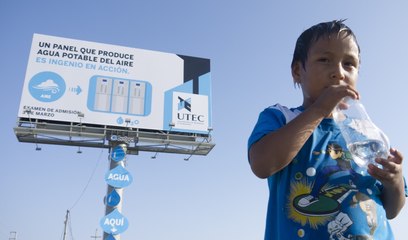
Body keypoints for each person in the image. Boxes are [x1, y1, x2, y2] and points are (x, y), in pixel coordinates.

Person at [247, 20, 406, 239]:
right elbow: (262, 164)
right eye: (324, 60)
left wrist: (395, 181)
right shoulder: (281, 117)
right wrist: (320, 108)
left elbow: (392, 210)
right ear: (297, 71)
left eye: (349, 64)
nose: (339, 73)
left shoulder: (365, 133)